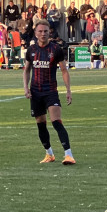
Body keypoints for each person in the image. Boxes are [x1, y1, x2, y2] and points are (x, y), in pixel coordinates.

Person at [24, 19, 74, 165]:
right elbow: (26, 70)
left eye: (45, 31)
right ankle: (49, 153)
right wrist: (26, 88)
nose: (43, 33)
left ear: (49, 32)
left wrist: (68, 90)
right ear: (35, 33)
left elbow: (64, 70)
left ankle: (68, 154)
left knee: (56, 122)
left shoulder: (55, 49)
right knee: (41, 124)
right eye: (40, 31)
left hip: (51, 91)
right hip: (35, 92)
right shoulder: (31, 50)